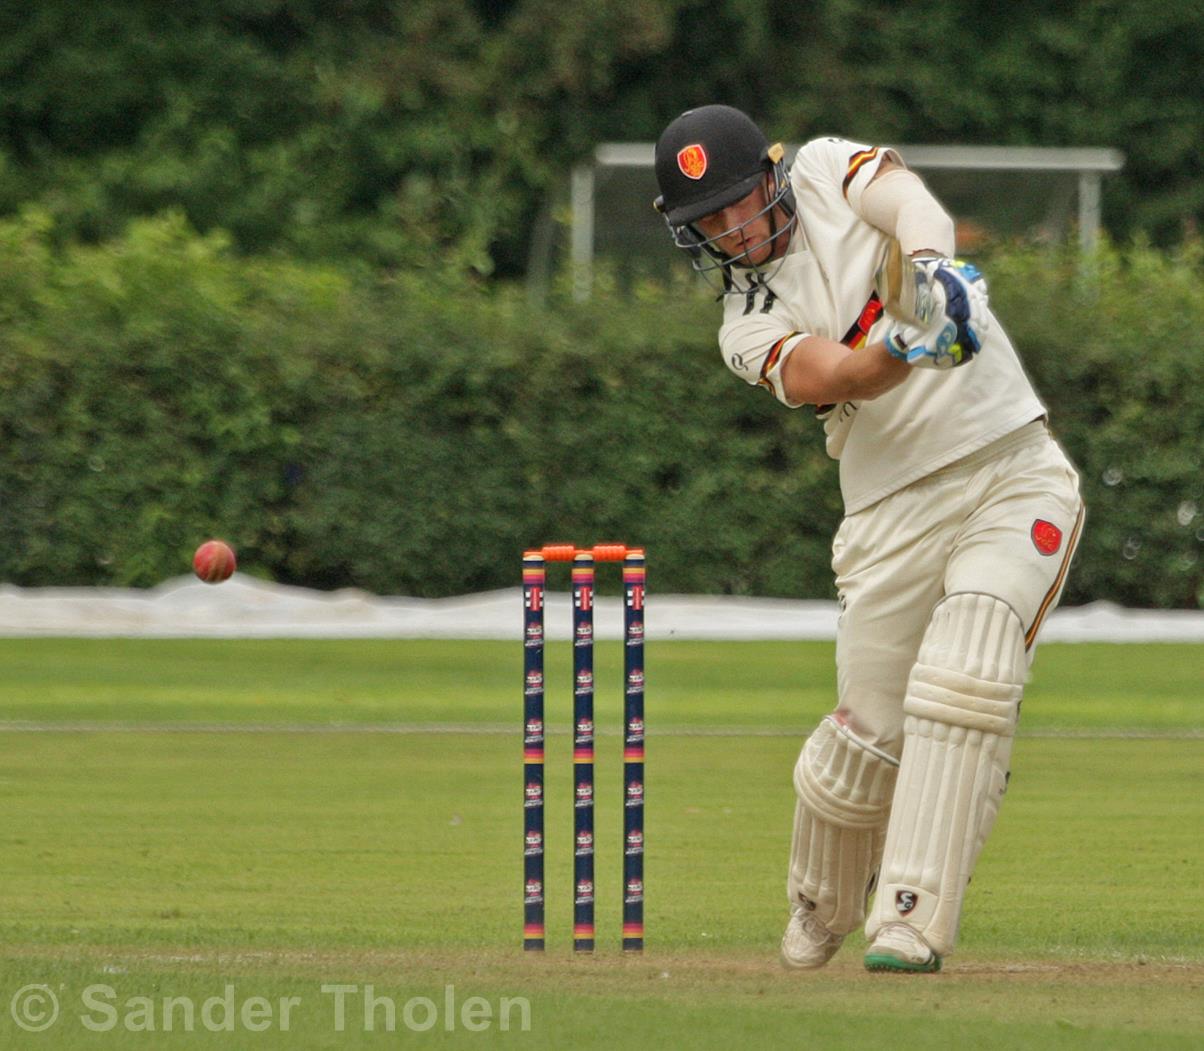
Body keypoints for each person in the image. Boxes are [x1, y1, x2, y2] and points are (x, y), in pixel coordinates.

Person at [653, 105, 1085, 973]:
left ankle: (909, 921)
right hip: (888, 515)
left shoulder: (822, 168)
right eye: (709, 221)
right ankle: (823, 903)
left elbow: (910, 202)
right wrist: (910, 338)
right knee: (864, 746)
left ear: (771, 178)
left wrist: (930, 276)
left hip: (1012, 467)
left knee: (967, 671)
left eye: (737, 204)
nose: (731, 230)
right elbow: (844, 375)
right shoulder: (745, 326)